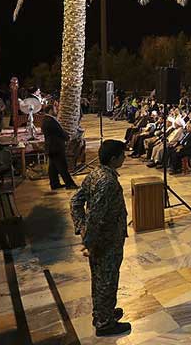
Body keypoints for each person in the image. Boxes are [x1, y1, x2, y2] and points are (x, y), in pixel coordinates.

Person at [70, 140, 130, 337]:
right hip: (106, 240)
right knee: (107, 280)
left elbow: (75, 201)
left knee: (101, 278)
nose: (124, 158)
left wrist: (81, 227)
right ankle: (104, 324)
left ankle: (104, 312)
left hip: (103, 239)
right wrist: (87, 238)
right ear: (114, 159)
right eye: (122, 155)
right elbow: (96, 215)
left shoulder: (95, 173)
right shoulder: (107, 182)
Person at [40, 106, 78, 190]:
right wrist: (68, 137)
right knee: (62, 166)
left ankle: (55, 184)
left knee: (53, 167)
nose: (57, 110)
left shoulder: (46, 120)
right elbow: (59, 132)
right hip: (56, 147)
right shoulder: (50, 121)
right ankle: (70, 184)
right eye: (55, 109)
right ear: (50, 111)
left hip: (51, 147)